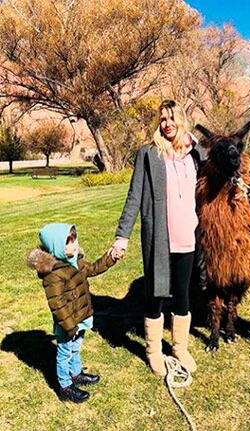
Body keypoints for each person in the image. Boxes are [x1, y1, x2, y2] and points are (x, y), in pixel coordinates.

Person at [111, 100, 206, 377]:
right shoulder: (149, 154)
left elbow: (213, 169)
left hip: (187, 235)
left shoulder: (193, 154)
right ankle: (153, 350)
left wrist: (194, 141)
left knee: (183, 295)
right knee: (154, 295)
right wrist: (122, 236)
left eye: (171, 118)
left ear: (181, 121)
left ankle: (180, 348)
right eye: (162, 119)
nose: (166, 123)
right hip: (159, 238)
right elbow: (134, 197)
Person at [27, 224, 118, 403]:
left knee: (75, 347)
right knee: (65, 351)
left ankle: (76, 374)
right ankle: (65, 386)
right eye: (68, 242)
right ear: (56, 247)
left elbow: (92, 269)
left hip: (80, 316)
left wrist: (110, 258)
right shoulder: (53, 274)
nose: (74, 245)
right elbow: (57, 305)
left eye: (74, 239)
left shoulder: (75, 260)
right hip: (67, 323)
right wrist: (69, 326)